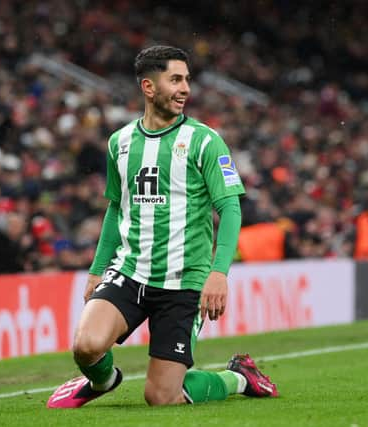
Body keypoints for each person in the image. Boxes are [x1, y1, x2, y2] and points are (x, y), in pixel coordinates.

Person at [47, 46, 278, 409]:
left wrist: (218, 274)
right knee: (85, 346)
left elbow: (230, 209)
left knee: (161, 396)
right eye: (175, 79)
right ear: (149, 87)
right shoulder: (119, 143)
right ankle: (104, 380)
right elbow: (115, 207)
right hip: (131, 271)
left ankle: (239, 377)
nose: (185, 88)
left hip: (184, 281)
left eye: (187, 79)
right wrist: (97, 269)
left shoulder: (204, 140)